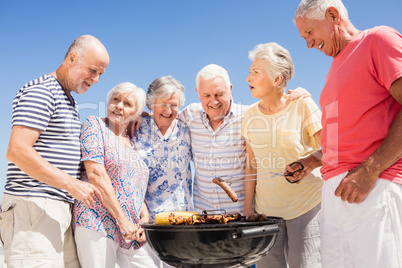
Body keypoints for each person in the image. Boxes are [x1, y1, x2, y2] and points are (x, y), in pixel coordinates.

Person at [291, 0, 402, 267]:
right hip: (336, 193)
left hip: (372, 187)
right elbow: (344, 135)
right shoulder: (333, 70)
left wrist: (369, 171)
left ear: (332, 14)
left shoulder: (378, 39)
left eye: (309, 33)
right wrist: (311, 161)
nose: (308, 44)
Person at [0, 35, 108, 267]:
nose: (96, 79)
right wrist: (72, 185)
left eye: (101, 74)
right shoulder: (42, 91)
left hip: (58, 211)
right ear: (72, 58)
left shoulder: (68, 100)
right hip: (34, 209)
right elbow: (17, 151)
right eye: (92, 70)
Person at [179, 64, 310, 214]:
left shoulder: (250, 115)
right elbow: (163, 119)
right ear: (197, 93)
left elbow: (280, 116)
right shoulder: (190, 114)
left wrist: (298, 97)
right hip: (204, 216)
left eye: (219, 94)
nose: (214, 102)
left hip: (241, 215)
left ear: (230, 89)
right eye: (206, 96)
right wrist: (145, 115)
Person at [241, 42, 323, 268]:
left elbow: (331, 146)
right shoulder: (249, 115)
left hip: (305, 205)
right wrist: (249, 208)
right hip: (267, 212)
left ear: (277, 79)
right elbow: (251, 164)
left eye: (255, 73)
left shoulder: (302, 104)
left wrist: (310, 162)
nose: (248, 78)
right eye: (250, 71)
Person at [73, 82, 158, 268]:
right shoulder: (94, 125)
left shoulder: (132, 142)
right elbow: (95, 174)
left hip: (131, 229)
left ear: (135, 114)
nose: (119, 106)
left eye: (127, 104)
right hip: (97, 221)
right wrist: (123, 220)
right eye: (116, 100)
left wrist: (144, 219)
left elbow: (134, 188)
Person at [132, 76, 193, 268]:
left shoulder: (187, 130)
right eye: (163, 104)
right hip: (146, 221)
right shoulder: (136, 129)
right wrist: (138, 115)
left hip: (182, 221)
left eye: (173, 105)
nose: (168, 110)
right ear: (151, 103)